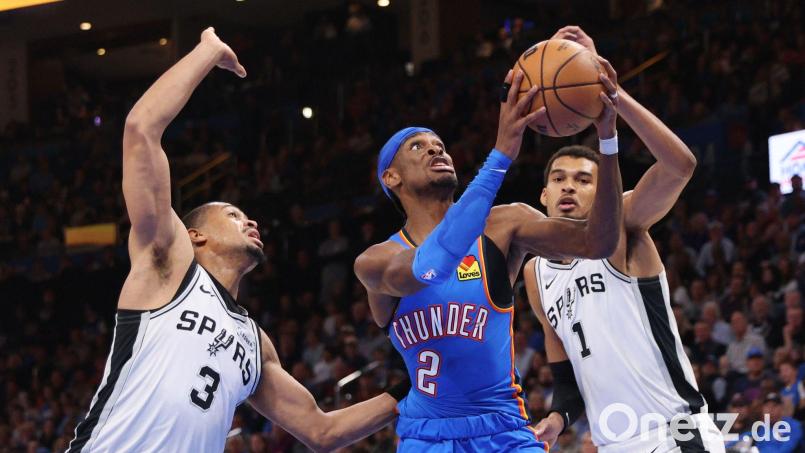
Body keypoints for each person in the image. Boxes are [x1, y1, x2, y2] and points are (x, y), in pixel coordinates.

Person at [68, 28, 401, 453]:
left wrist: (413, 389)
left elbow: (322, 431)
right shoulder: (167, 265)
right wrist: (207, 53)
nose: (250, 220)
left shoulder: (255, 342)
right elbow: (141, 129)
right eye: (232, 214)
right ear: (195, 235)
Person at [354, 55, 624, 450]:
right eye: (418, 146)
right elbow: (432, 268)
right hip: (427, 436)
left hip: (504, 429)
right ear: (390, 178)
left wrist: (608, 141)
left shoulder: (505, 224)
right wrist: (500, 156)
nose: (436, 151)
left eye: (440, 145)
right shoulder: (376, 261)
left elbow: (599, 243)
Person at [525, 26, 725, 453]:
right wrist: (558, 419)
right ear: (543, 195)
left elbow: (680, 167)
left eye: (584, 180)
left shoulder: (623, 227)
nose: (568, 188)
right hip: (613, 444)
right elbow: (567, 380)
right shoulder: (534, 274)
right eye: (558, 179)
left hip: (677, 434)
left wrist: (609, 92)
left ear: (606, 194)